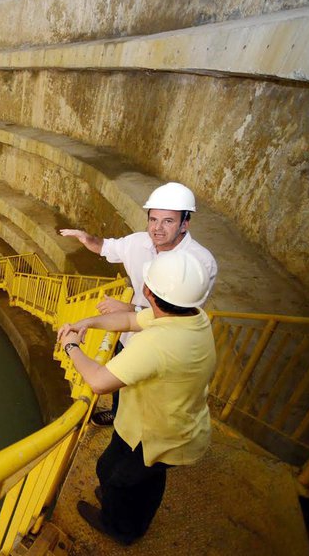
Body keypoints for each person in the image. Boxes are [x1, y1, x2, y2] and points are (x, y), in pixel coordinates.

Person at [56, 251, 217, 545]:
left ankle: (121, 529)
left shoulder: (158, 344)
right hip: (170, 425)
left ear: (147, 291)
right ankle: (128, 511)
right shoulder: (192, 318)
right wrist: (88, 323)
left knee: (117, 478)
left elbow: (99, 381)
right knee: (132, 474)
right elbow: (132, 320)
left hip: (160, 435)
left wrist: (71, 347)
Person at [59, 182, 217, 426]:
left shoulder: (199, 263)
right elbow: (106, 247)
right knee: (121, 379)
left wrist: (130, 309)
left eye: (168, 221)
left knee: (145, 389)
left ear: (185, 223)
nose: (157, 228)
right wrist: (87, 238)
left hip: (158, 340)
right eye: (153, 220)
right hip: (133, 331)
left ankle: (136, 423)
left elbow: (179, 314)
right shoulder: (139, 242)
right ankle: (118, 413)